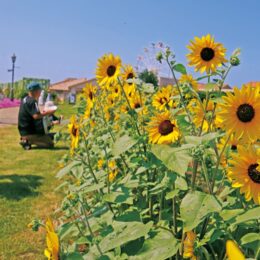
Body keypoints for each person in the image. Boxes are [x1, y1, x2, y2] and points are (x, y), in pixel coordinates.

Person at [18, 82, 57, 150]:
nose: (40, 93)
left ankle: (28, 138)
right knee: (50, 144)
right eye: (40, 91)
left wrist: (43, 113)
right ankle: (27, 141)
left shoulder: (26, 99)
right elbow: (36, 116)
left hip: (24, 129)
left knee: (49, 136)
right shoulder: (32, 101)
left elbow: (33, 113)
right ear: (35, 91)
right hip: (29, 132)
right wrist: (49, 112)